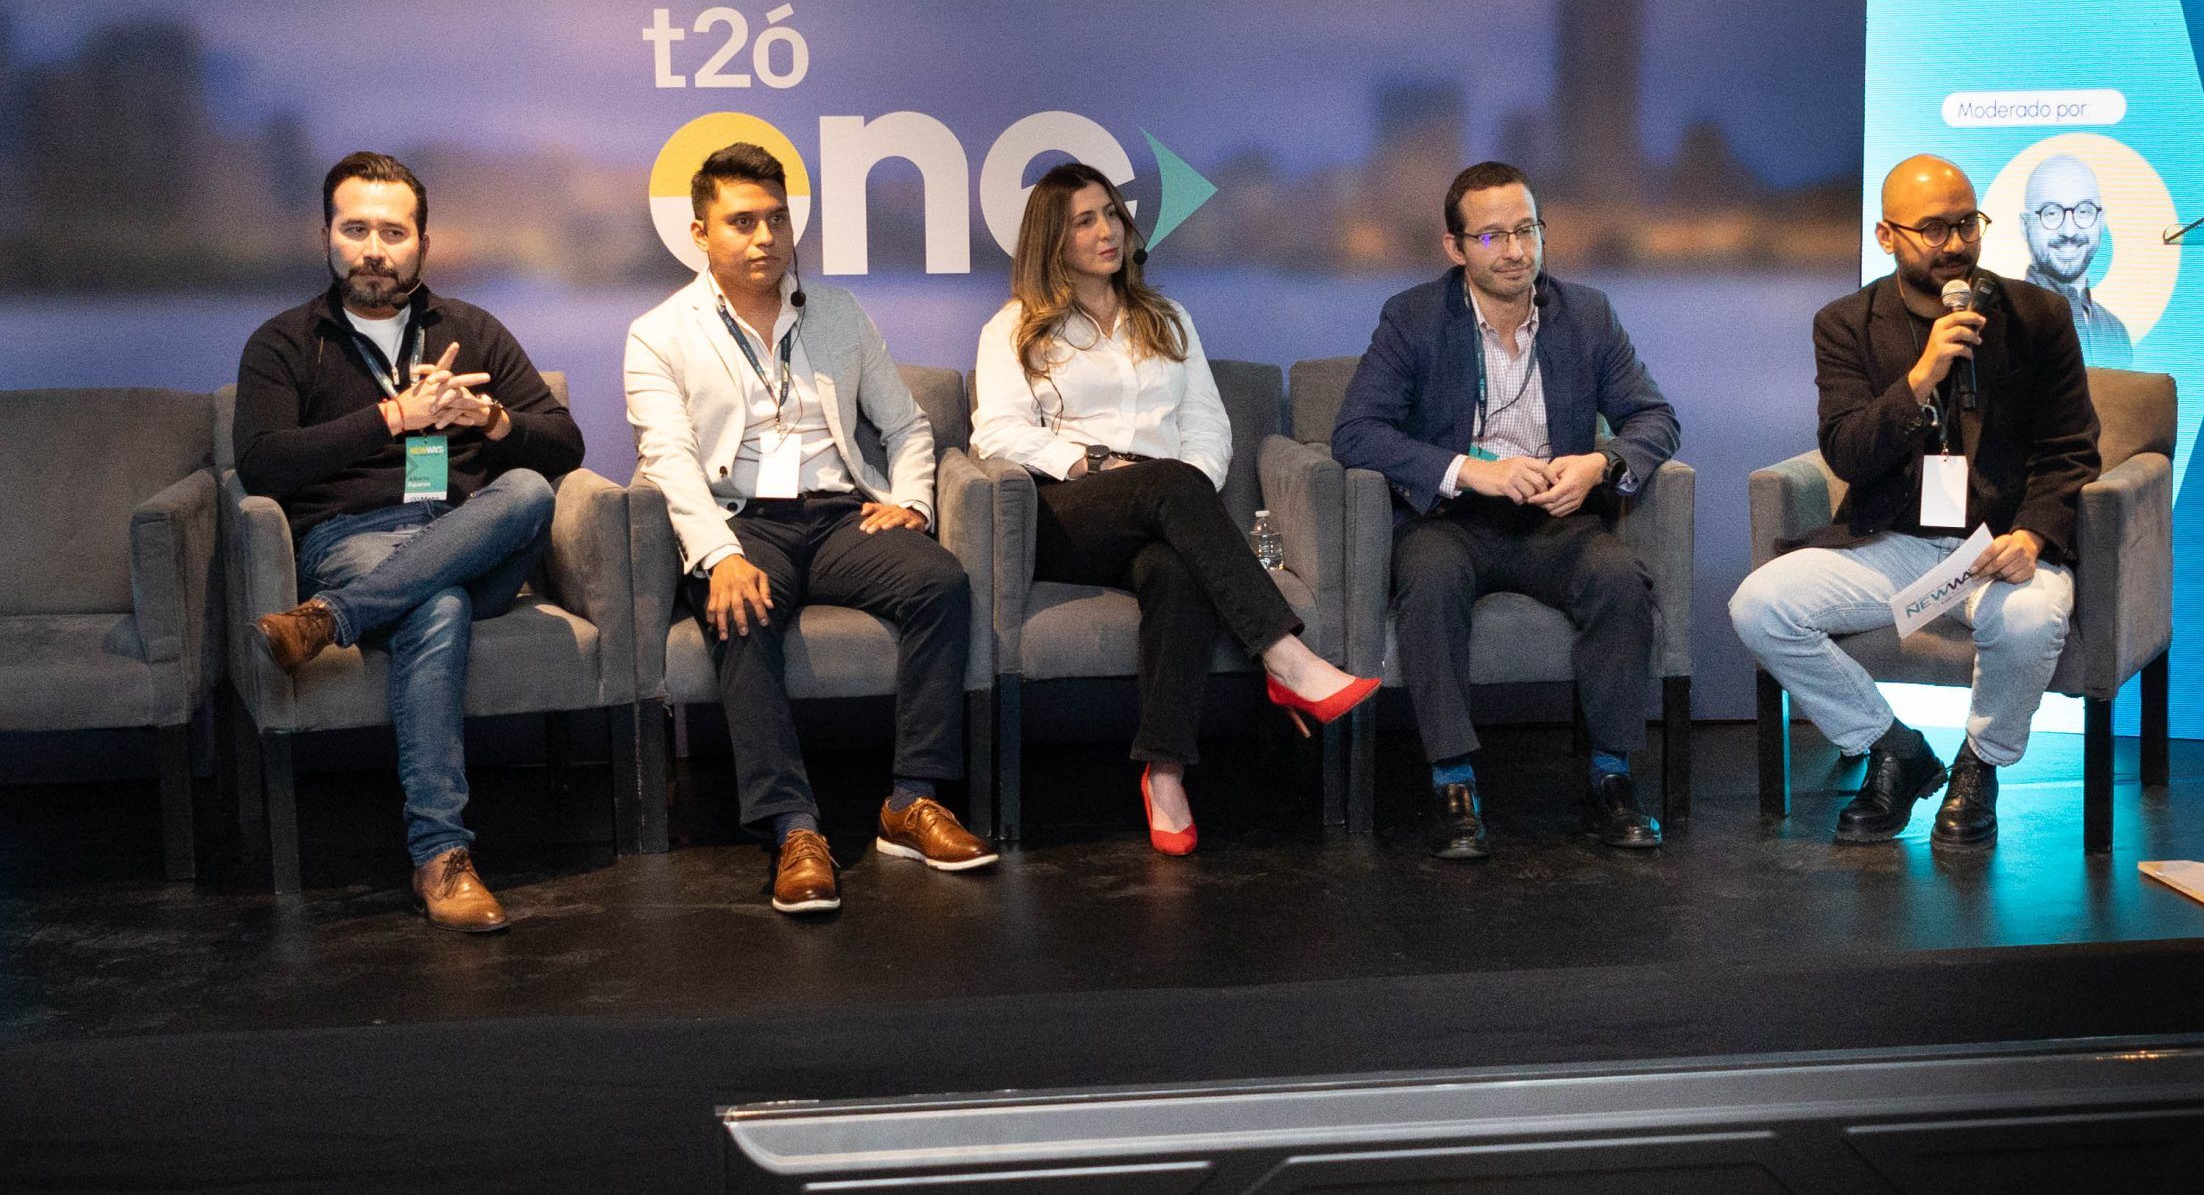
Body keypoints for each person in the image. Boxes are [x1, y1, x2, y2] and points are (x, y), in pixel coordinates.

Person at [626, 142, 995, 916]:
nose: (765, 237)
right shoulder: (659, 333)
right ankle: (793, 827)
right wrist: (718, 555)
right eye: (742, 221)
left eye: (777, 219)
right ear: (700, 233)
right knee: (742, 608)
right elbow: (668, 460)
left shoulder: (837, 312)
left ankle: (913, 801)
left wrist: (913, 502)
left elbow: (907, 426)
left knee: (939, 581)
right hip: (740, 520)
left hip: (837, 512)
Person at [971, 161, 1378, 855]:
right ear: (1052, 240)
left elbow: (1209, 426)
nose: (1108, 230)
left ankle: (1164, 774)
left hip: (1165, 508)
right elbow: (997, 433)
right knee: (1164, 484)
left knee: (1175, 567)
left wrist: (1183, 485)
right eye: (1085, 221)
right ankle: (1285, 656)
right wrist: (1098, 465)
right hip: (1068, 513)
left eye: (1112, 213)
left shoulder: (1165, 319)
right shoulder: (1015, 327)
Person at [237, 151, 583, 933]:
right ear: (326, 236)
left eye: (393, 232)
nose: (374, 249)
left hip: (469, 533)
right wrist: (394, 418)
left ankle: (330, 617)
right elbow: (261, 462)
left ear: (422, 243)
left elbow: (566, 443)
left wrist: (487, 419)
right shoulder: (284, 342)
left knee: (528, 491)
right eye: (355, 229)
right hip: (353, 536)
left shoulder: (473, 329)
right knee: (438, 605)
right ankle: (441, 856)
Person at [1728, 154, 2099, 853]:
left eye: (1967, 223)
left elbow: (2072, 449)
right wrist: (1922, 375)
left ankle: (1980, 765)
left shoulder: (2037, 316)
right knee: (1760, 606)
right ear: (1886, 235)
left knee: (2030, 616)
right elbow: (1846, 452)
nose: (1955, 243)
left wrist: (2032, 536)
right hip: (1892, 541)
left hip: (1998, 547)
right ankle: (1891, 745)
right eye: (1933, 229)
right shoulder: (1845, 323)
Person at [1331, 161, 1682, 861]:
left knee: (1619, 578)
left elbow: (1655, 418)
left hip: (1557, 522)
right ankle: (1453, 782)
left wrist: (1600, 464)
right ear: (1455, 247)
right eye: (1492, 236)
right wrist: (1472, 471)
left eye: (1527, 230)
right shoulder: (1413, 317)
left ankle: (1612, 777)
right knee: (1429, 580)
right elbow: (1356, 432)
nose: (1515, 250)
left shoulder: (1587, 313)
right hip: (1450, 521)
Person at [2019, 153, 2131, 363]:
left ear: (2101, 221)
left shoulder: (2116, 333)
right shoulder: (2002, 324)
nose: (2069, 231)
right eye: (2051, 213)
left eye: (2084, 211)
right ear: (2025, 226)